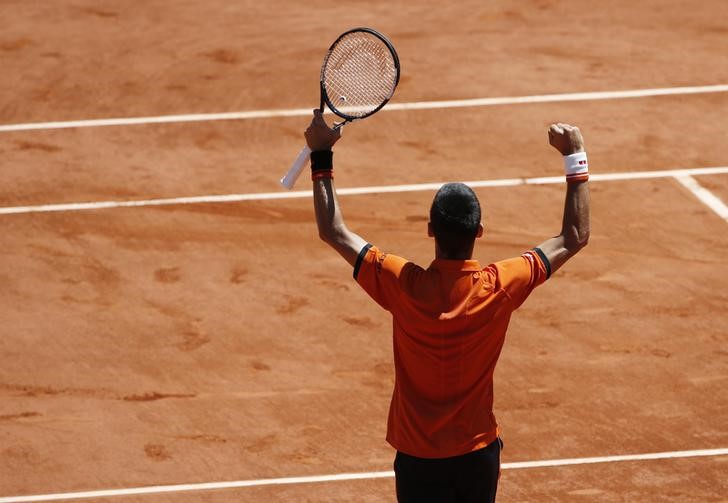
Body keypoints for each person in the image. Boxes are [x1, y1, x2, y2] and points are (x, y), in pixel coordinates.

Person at [304, 109, 590, 502]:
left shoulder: (402, 284)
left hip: (418, 458)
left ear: (429, 230)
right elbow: (574, 236)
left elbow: (333, 231)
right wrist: (574, 154)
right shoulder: (499, 286)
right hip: (475, 455)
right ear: (480, 232)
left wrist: (320, 154)